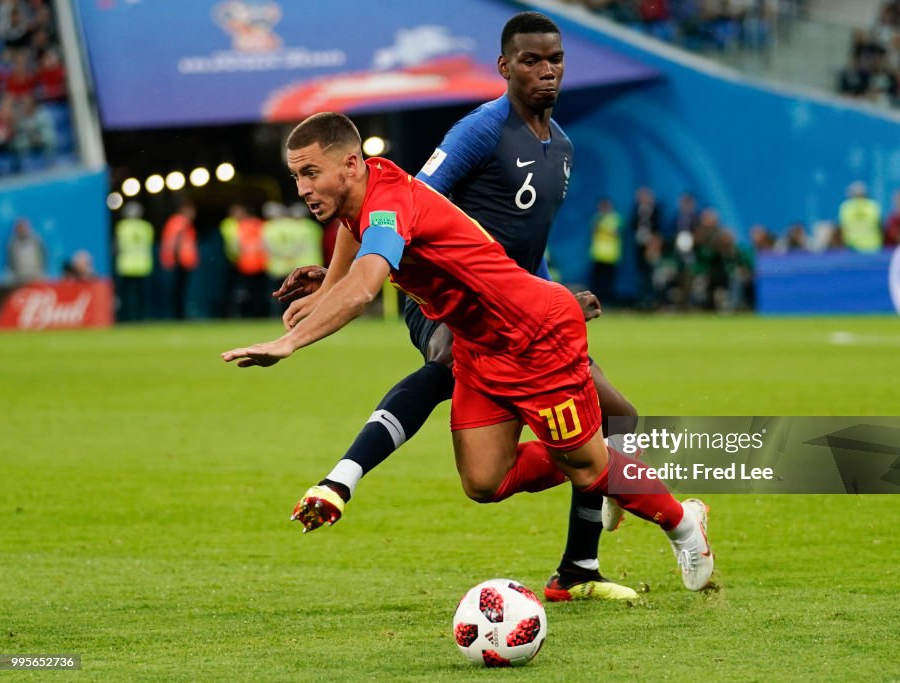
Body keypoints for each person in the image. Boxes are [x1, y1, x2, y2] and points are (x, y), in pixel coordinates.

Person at [221, 112, 715, 596]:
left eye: (311, 173)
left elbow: (363, 292)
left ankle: (683, 523)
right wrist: (325, 289)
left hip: (535, 337)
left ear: (350, 164)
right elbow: (352, 237)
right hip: (480, 347)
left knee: (586, 465)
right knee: (483, 481)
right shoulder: (364, 192)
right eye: (296, 176)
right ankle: (610, 465)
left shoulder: (389, 204)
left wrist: (288, 343)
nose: (302, 188)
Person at [273, 13, 646, 603]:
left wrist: (553, 300)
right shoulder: (479, 131)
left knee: (617, 414)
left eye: (555, 60)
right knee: (450, 359)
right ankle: (343, 478)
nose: (546, 71)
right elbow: (385, 202)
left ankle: (579, 567)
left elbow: (525, 247)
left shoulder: (564, 148)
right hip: (442, 304)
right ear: (505, 67)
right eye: (531, 60)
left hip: (521, 310)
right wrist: (335, 280)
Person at [114, 202, 154, 321]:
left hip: (126, 266)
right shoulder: (146, 227)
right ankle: (141, 318)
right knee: (142, 296)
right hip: (143, 266)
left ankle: (127, 318)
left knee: (127, 296)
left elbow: (115, 247)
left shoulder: (121, 227)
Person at [160, 200, 199, 320]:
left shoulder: (180, 222)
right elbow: (176, 241)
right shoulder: (180, 222)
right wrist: (176, 259)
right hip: (179, 262)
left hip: (182, 262)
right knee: (178, 291)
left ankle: (179, 315)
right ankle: (179, 316)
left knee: (179, 291)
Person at [588, 196, 622, 307]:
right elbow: (593, 233)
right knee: (596, 281)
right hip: (598, 254)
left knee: (609, 282)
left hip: (610, 255)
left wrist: (605, 227)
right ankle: (595, 301)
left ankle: (609, 302)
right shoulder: (596, 218)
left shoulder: (615, 218)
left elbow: (616, 233)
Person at [6, 216, 45, 284]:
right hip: (18, 275)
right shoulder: (12, 244)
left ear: (28, 227)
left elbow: (43, 257)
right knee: (7, 278)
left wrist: (39, 269)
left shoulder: (37, 241)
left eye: (23, 227)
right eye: (19, 227)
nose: (21, 229)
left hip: (36, 273)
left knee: (44, 279)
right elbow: (11, 261)